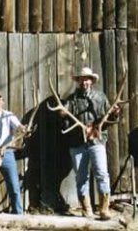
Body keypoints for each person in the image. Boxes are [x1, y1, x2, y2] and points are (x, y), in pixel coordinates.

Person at [59, 67, 120, 220]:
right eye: (82, 79)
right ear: (78, 81)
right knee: (81, 176)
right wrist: (62, 113)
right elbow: (64, 118)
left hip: (96, 140)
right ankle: (87, 209)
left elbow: (110, 119)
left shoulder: (100, 97)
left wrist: (115, 113)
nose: (84, 81)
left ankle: (104, 209)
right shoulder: (72, 99)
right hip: (77, 142)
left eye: (87, 79)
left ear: (91, 81)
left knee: (101, 173)